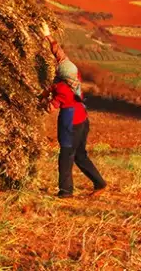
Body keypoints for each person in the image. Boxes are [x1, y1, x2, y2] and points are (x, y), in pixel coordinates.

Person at [41, 24, 107, 198]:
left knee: (66, 155)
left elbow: (50, 108)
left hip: (71, 123)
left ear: (60, 75)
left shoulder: (63, 89)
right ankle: (99, 183)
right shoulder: (73, 76)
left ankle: (65, 191)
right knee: (80, 155)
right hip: (83, 119)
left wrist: (41, 100)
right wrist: (48, 36)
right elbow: (60, 55)